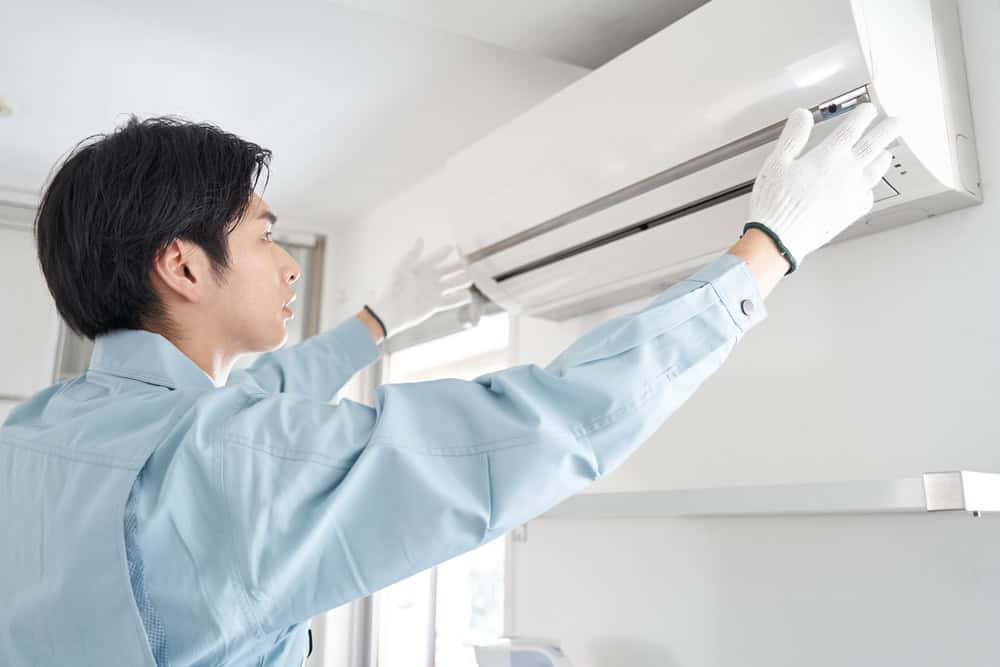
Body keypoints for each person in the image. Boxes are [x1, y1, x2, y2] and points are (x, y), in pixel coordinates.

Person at [0, 104, 898, 666]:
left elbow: (257, 400)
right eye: (267, 234)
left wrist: (377, 324)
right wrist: (768, 250)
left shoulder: (37, 436)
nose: (285, 264)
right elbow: (540, 426)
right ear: (183, 266)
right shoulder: (223, 464)